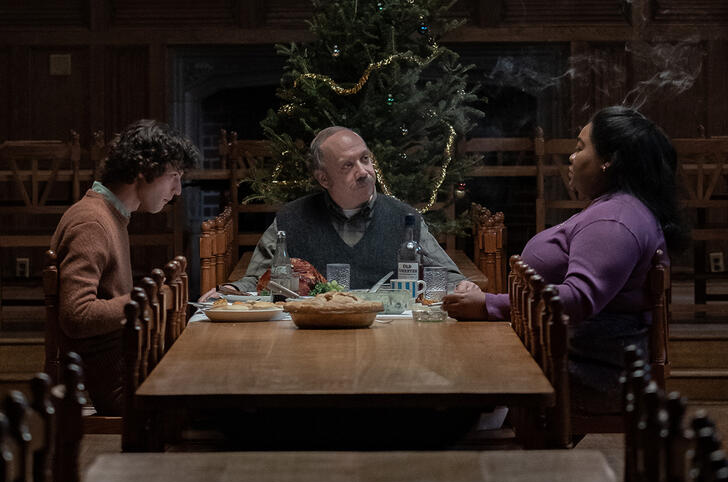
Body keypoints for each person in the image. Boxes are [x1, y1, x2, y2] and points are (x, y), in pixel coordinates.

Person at [442, 106, 686, 413]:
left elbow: (577, 299)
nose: (572, 157)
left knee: (445, 371)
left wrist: (489, 304)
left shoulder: (614, 220)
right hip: (567, 353)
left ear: (609, 161)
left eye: (581, 147)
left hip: (586, 369)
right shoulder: (615, 209)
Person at [51, 119, 199, 416]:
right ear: (144, 171)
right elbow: (76, 315)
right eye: (173, 176)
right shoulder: (92, 222)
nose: (178, 190)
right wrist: (148, 300)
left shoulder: (110, 216)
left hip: (127, 369)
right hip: (116, 388)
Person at [207, 126, 464, 297]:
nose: (363, 171)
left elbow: (449, 276)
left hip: (390, 337)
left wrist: (464, 288)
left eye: (365, 159)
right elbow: (257, 281)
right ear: (324, 179)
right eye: (347, 166)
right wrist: (230, 289)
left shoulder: (404, 217)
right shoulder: (291, 219)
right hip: (311, 341)